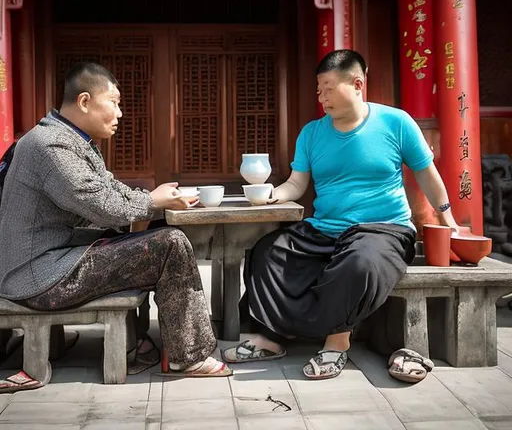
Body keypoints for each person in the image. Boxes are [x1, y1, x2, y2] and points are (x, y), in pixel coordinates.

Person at [223, 49, 461, 380]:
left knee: (358, 262)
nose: (322, 97)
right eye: (319, 90)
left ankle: (337, 342)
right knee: (268, 253)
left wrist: (447, 217)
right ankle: (270, 338)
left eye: (329, 88)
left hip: (383, 230)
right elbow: (296, 183)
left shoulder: (396, 122)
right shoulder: (312, 133)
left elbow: (426, 173)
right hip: (324, 230)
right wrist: (271, 195)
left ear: (357, 83)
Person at [0, 62, 231, 392]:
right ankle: (187, 355)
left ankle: (137, 344)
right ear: (84, 101)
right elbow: (103, 207)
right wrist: (152, 200)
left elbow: (109, 190)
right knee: (170, 243)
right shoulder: (50, 146)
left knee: (144, 233)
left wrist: (154, 200)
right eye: (114, 101)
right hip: (37, 275)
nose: (120, 112)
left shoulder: (72, 140)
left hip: (49, 260)